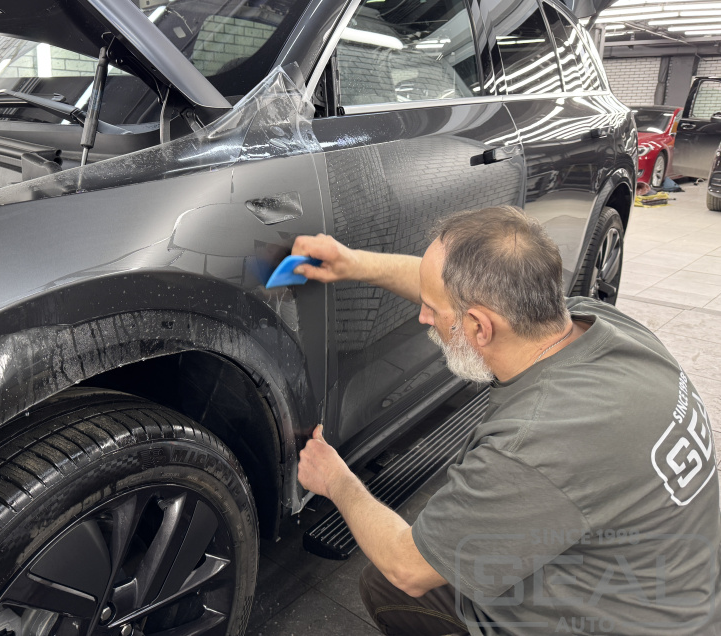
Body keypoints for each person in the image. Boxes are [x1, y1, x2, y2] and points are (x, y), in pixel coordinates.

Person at [292, 206, 720, 636]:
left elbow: (407, 567)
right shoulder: (595, 321)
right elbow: (451, 293)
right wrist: (353, 263)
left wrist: (335, 479)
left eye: (431, 309)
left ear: (480, 327)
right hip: (680, 597)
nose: (423, 317)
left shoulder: (534, 443)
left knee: (390, 584)